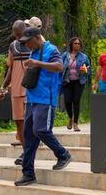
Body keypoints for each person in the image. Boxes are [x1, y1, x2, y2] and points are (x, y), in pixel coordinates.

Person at [15, 27, 72, 186]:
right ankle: (28, 174)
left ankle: (63, 154)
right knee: (29, 137)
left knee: (40, 130)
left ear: (37, 37)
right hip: (31, 99)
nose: (27, 45)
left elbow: (59, 67)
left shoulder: (51, 50)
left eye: (28, 42)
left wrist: (37, 63)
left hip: (46, 99)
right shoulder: (33, 52)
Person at [0, 20, 30, 148]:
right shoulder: (13, 46)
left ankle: (29, 150)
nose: (17, 37)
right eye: (15, 34)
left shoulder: (33, 44)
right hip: (16, 89)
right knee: (19, 123)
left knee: (29, 122)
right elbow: (11, 69)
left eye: (19, 34)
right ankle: (26, 152)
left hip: (30, 90)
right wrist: (3, 87)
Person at [61, 36, 91, 131]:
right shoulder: (65, 55)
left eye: (79, 44)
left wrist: (84, 69)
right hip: (67, 81)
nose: (77, 45)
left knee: (76, 101)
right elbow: (60, 66)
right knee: (67, 101)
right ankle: (70, 118)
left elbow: (89, 69)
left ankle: (75, 123)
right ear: (71, 44)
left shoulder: (84, 57)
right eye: (75, 43)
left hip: (79, 82)